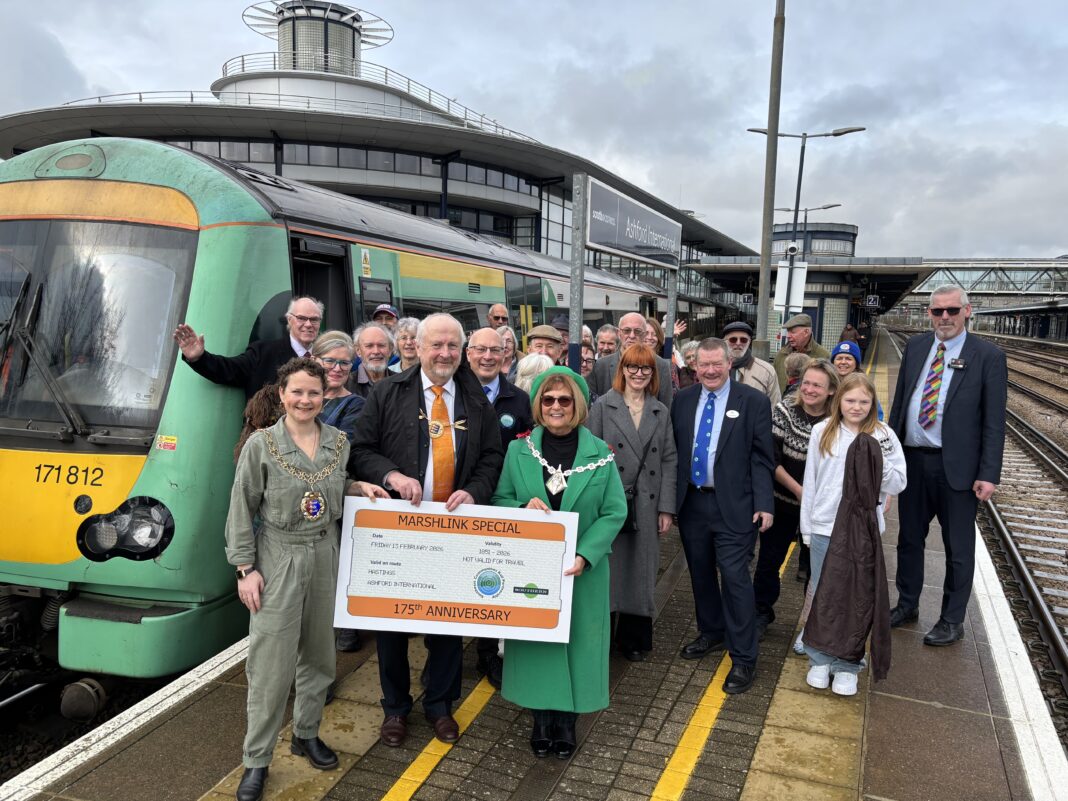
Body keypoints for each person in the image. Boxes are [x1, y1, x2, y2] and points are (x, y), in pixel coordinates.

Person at [226, 358, 387, 801]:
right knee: (270, 666)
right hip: (278, 556)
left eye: (313, 393)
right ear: (282, 395)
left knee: (319, 656)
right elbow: (241, 507)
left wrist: (358, 489)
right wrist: (245, 569)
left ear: (324, 396)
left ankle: (306, 733)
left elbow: (331, 485)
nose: (305, 400)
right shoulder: (261, 445)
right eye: (296, 392)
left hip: (324, 553)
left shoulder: (338, 442)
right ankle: (257, 760)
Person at [349, 313, 505, 747]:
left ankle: (440, 705)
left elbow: (492, 456)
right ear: (416, 347)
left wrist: (474, 491)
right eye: (436, 344)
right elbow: (361, 450)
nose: (444, 353)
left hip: (453, 530)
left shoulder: (475, 398)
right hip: (399, 530)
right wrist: (392, 476)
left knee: (447, 626)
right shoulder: (387, 392)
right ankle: (395, 708)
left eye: (453, 346)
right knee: (392, 627)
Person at [493, 367, 626, 759]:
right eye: (548, 399)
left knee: (579, 643)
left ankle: (567, 722)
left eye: (564, 400)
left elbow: (614, 511)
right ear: (538, 404)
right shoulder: (518, 451)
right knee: (537, 643)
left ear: (577, 405)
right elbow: (500, 500)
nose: (556, 406)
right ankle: (540, 719)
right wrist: (521, 507)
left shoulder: (600, 454)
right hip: (532, 567)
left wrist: (586, 554)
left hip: (582, 570)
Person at [888, 285, 1007, 646]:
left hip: (957, 468)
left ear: (967, 311)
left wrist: (988, 473)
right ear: (929, 313)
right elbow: (900, 404)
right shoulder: (916, 347)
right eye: (937, 311)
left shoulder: (987, 356)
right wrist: (889, 455)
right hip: (913, 461)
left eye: (952, 310)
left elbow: (994, 422)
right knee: (909, 540)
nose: (944, 317)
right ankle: (907, 604)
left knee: (958, 548)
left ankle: (952, 619)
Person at [671, 338, 774, 694]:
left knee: (734, 579)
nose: (711, 371)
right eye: (704, 365)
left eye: (718, 364)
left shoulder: (753, 402)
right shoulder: (683, 400)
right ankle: (712, 631)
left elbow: (762, 457)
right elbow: (674, 453)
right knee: (700, 573)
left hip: (736, 506)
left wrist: (765, 503)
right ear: (694, 366)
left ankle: (744, 657)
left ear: (730, 363)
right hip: (692, 503)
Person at [800, 372, 906, 694]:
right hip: (824, 526)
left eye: (864, 401)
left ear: (873, 403)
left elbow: (899, 482)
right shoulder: (822, 431)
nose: (856, 407)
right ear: (838, 400)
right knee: (824, 594)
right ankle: (819, 659)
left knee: (858, 596)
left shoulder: (884, 435)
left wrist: (879, 460)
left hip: (863, 532)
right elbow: (811, 481)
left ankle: (848, 664)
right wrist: (807, 529)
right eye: (850, 400)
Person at [588, 345, 677, 662]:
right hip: (611, 501)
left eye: (646, 368)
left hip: (647, 503)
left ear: (654, 374)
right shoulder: (603, 406)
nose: (639, 374)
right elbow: (590, 456)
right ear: (622, 370)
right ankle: (602, 635)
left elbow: (669, 459)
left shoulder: (659, 411)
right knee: (609, 569)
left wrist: (666, 508)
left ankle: (633, 639)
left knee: (641, 569)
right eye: (632, 367)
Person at [465, 327, 534, 688]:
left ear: (506, 354)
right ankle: (441, 654)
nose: (488, 357)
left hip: (502, 506)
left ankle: (488, 652)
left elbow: (530, 453)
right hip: (460, 503)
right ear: (469, 354)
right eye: (481, 350)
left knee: (493, 582)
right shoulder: (452, 394)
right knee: (454, 581)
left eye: (496, 350)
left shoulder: (520, 401)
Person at [753, 359, 837, 643]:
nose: (809, 390)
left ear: (831, 390)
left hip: (821, 509)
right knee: (769, 560)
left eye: (817, 386)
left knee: (816, 567)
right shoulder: (785, 410)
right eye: (806, 383)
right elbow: (772, 459)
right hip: (783, 502)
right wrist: (800, 491)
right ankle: (761, 613)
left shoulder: (837, 419)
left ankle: (812, 622)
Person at [174, 296, 324, 400]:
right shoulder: (263, 353)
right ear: (289, 320)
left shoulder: (327, 357)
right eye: (301, 318)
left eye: (314, 319)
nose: (308, 324)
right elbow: (229, 369)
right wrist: (199, 358)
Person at [590, 313, 672, 408]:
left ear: (644, 334)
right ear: (619, 333)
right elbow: (593, 408)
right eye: (627, 330)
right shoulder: (601, 365)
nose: (632, 335)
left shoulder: (661, 366)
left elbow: (665, 409)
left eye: (637, 331)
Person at [311, 331, 364, 445]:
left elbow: (342, 447)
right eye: (329, 361)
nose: (337, 368)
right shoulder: (296, 396)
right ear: (313, 360)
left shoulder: (356, 405)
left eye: (344, 363)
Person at [722, 321, 780, 406]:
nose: (738, 343)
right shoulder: (714, 369)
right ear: (725, 342)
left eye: (743, 340)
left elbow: (774, 405)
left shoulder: (766, 371)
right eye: (733, 339)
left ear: (749, 342)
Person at [773, 313, 831, 393]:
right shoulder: (781, 354)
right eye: (788, 332)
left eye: (792, 332)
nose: (788, 336)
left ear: (806, 332)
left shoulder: (823, 356)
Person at [831, 340, 882, 420]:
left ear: (856, 364)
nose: (843, 362)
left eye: (848, 359)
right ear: (833, 362)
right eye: (839, 358)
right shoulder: (827, 383)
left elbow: (877, 416)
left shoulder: (865, 385)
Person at [350, 323, 394, 398]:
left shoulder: (402, 382)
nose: (376, 351)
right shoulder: (346, 385)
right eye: (369, 346)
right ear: (358, 350)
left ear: (390, 350)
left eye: (381, 345)